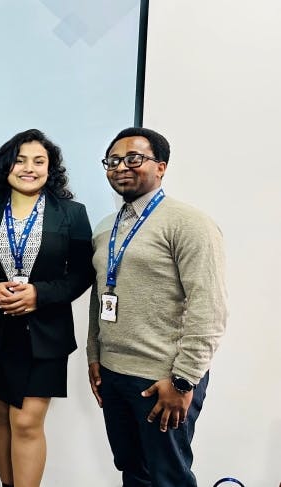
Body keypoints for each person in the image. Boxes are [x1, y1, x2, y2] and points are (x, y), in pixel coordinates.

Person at [87, 127, 227, 487]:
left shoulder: (189, 222)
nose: (121, 167)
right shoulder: (106, 228)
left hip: (162, 378)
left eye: (134, 159)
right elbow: (98, 295)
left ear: (161, 167)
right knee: (133, 472)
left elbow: (209, 306)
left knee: (168, 478)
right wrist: (94, 355)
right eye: (113, 161)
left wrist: (183, 380)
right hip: (115, 375)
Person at [0, 129, 93, 487]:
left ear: (50, 167)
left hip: (46, 334)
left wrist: (39, 294)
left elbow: (83, 273)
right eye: (20, 160)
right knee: (4, 417)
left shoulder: (72, 213)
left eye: (39, 161)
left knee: (26, 421)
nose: (29, 168)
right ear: (6, 166)